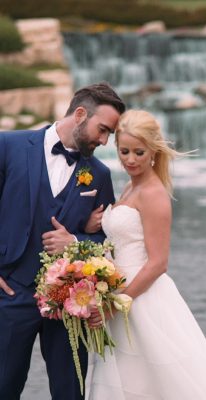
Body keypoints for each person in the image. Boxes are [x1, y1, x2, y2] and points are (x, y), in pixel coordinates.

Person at [84, 109, 206, 399]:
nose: (130, 159)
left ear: (154, 150)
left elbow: (158, 263)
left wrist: (116, 304)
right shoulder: (132, 185)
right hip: (120, 293)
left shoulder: (153, 193)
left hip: (140, 299)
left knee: (155, 382)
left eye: (139, 152)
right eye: (124, 151)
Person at [0, 82, 126, 400]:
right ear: (80, 114)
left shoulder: (98, 174)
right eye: (102, 130)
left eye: (110, 133)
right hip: (10, 293)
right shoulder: (8, 145)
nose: (104, 140)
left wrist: (75, 239)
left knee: (71, 390)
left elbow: (105, 238)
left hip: (71, 301)